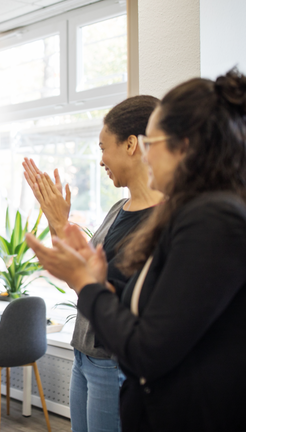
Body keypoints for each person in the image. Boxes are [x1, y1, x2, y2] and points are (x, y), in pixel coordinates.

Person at [25, 70, 245, 431]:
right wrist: (94, 277)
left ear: (183, 145)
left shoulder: (213, 217)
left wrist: (89, 283)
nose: (147, 154)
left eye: (152, 142)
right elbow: (157, 299)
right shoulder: (193, 213)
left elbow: (150, 345)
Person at [22, 95, 163, 432]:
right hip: (84, 351)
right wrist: (59, 222)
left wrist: (60, 225)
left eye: (103, 148)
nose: (100, 160)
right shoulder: (118, 208)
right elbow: (87, 272)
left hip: (113, 362)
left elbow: (109, 287)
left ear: (131, 144)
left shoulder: (164, 220)